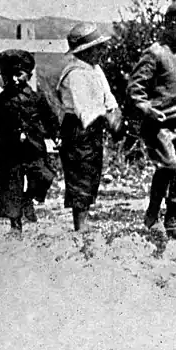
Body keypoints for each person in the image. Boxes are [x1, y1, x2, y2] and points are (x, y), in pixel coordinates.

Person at [127, 0, 176, 241]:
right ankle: (152, 214)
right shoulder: (155, 53)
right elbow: (135, 89)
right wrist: (147, 109)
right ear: (171, 24)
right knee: (169, 165)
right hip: (159, 124)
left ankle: (172, 221)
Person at [56, 23, 122, 232]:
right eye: (97, 48)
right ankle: (80, 223)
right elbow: (86, 111)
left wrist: (114, 114)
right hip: (78, 129)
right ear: (84, 51)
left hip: (94, 128)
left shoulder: (95, 69)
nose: (101, 52)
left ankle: (84, 218)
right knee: (79, 173)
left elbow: (108, 98)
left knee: (92, 170)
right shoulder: (74, 74)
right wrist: (107, 117)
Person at [0, 49, 59, 236]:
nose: (13, 79)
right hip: (9, 151)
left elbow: (50, 119)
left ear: (28, 75)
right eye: (8, 75)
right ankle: (15, 226)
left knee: (44, 175)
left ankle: (28, 198)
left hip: (34, 148)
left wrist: (56, 136)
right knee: (11, 186)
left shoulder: (37, 98)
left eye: (18, 74)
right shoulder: (0, 100)